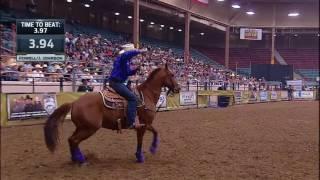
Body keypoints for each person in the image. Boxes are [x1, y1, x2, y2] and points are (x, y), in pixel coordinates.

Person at [108, 43, 147, 129]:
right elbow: (127, 54)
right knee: (132, 98)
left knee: (133, 96)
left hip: (118, 82)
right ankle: (130, 122)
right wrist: (139, 51)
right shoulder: (123, 57)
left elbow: (128, 72)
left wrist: (136, 69)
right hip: (116, 82)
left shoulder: (125, 60)